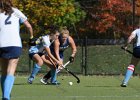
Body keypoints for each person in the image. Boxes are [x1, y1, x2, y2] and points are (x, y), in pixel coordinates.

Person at [0, 0, 33, 100]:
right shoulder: (16, 11)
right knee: (11, 70)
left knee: (4, 72)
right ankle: (6, 95)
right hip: (14, 44)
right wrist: (31, 37)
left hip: (1, 44)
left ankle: (4, 95)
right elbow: (29, 26)